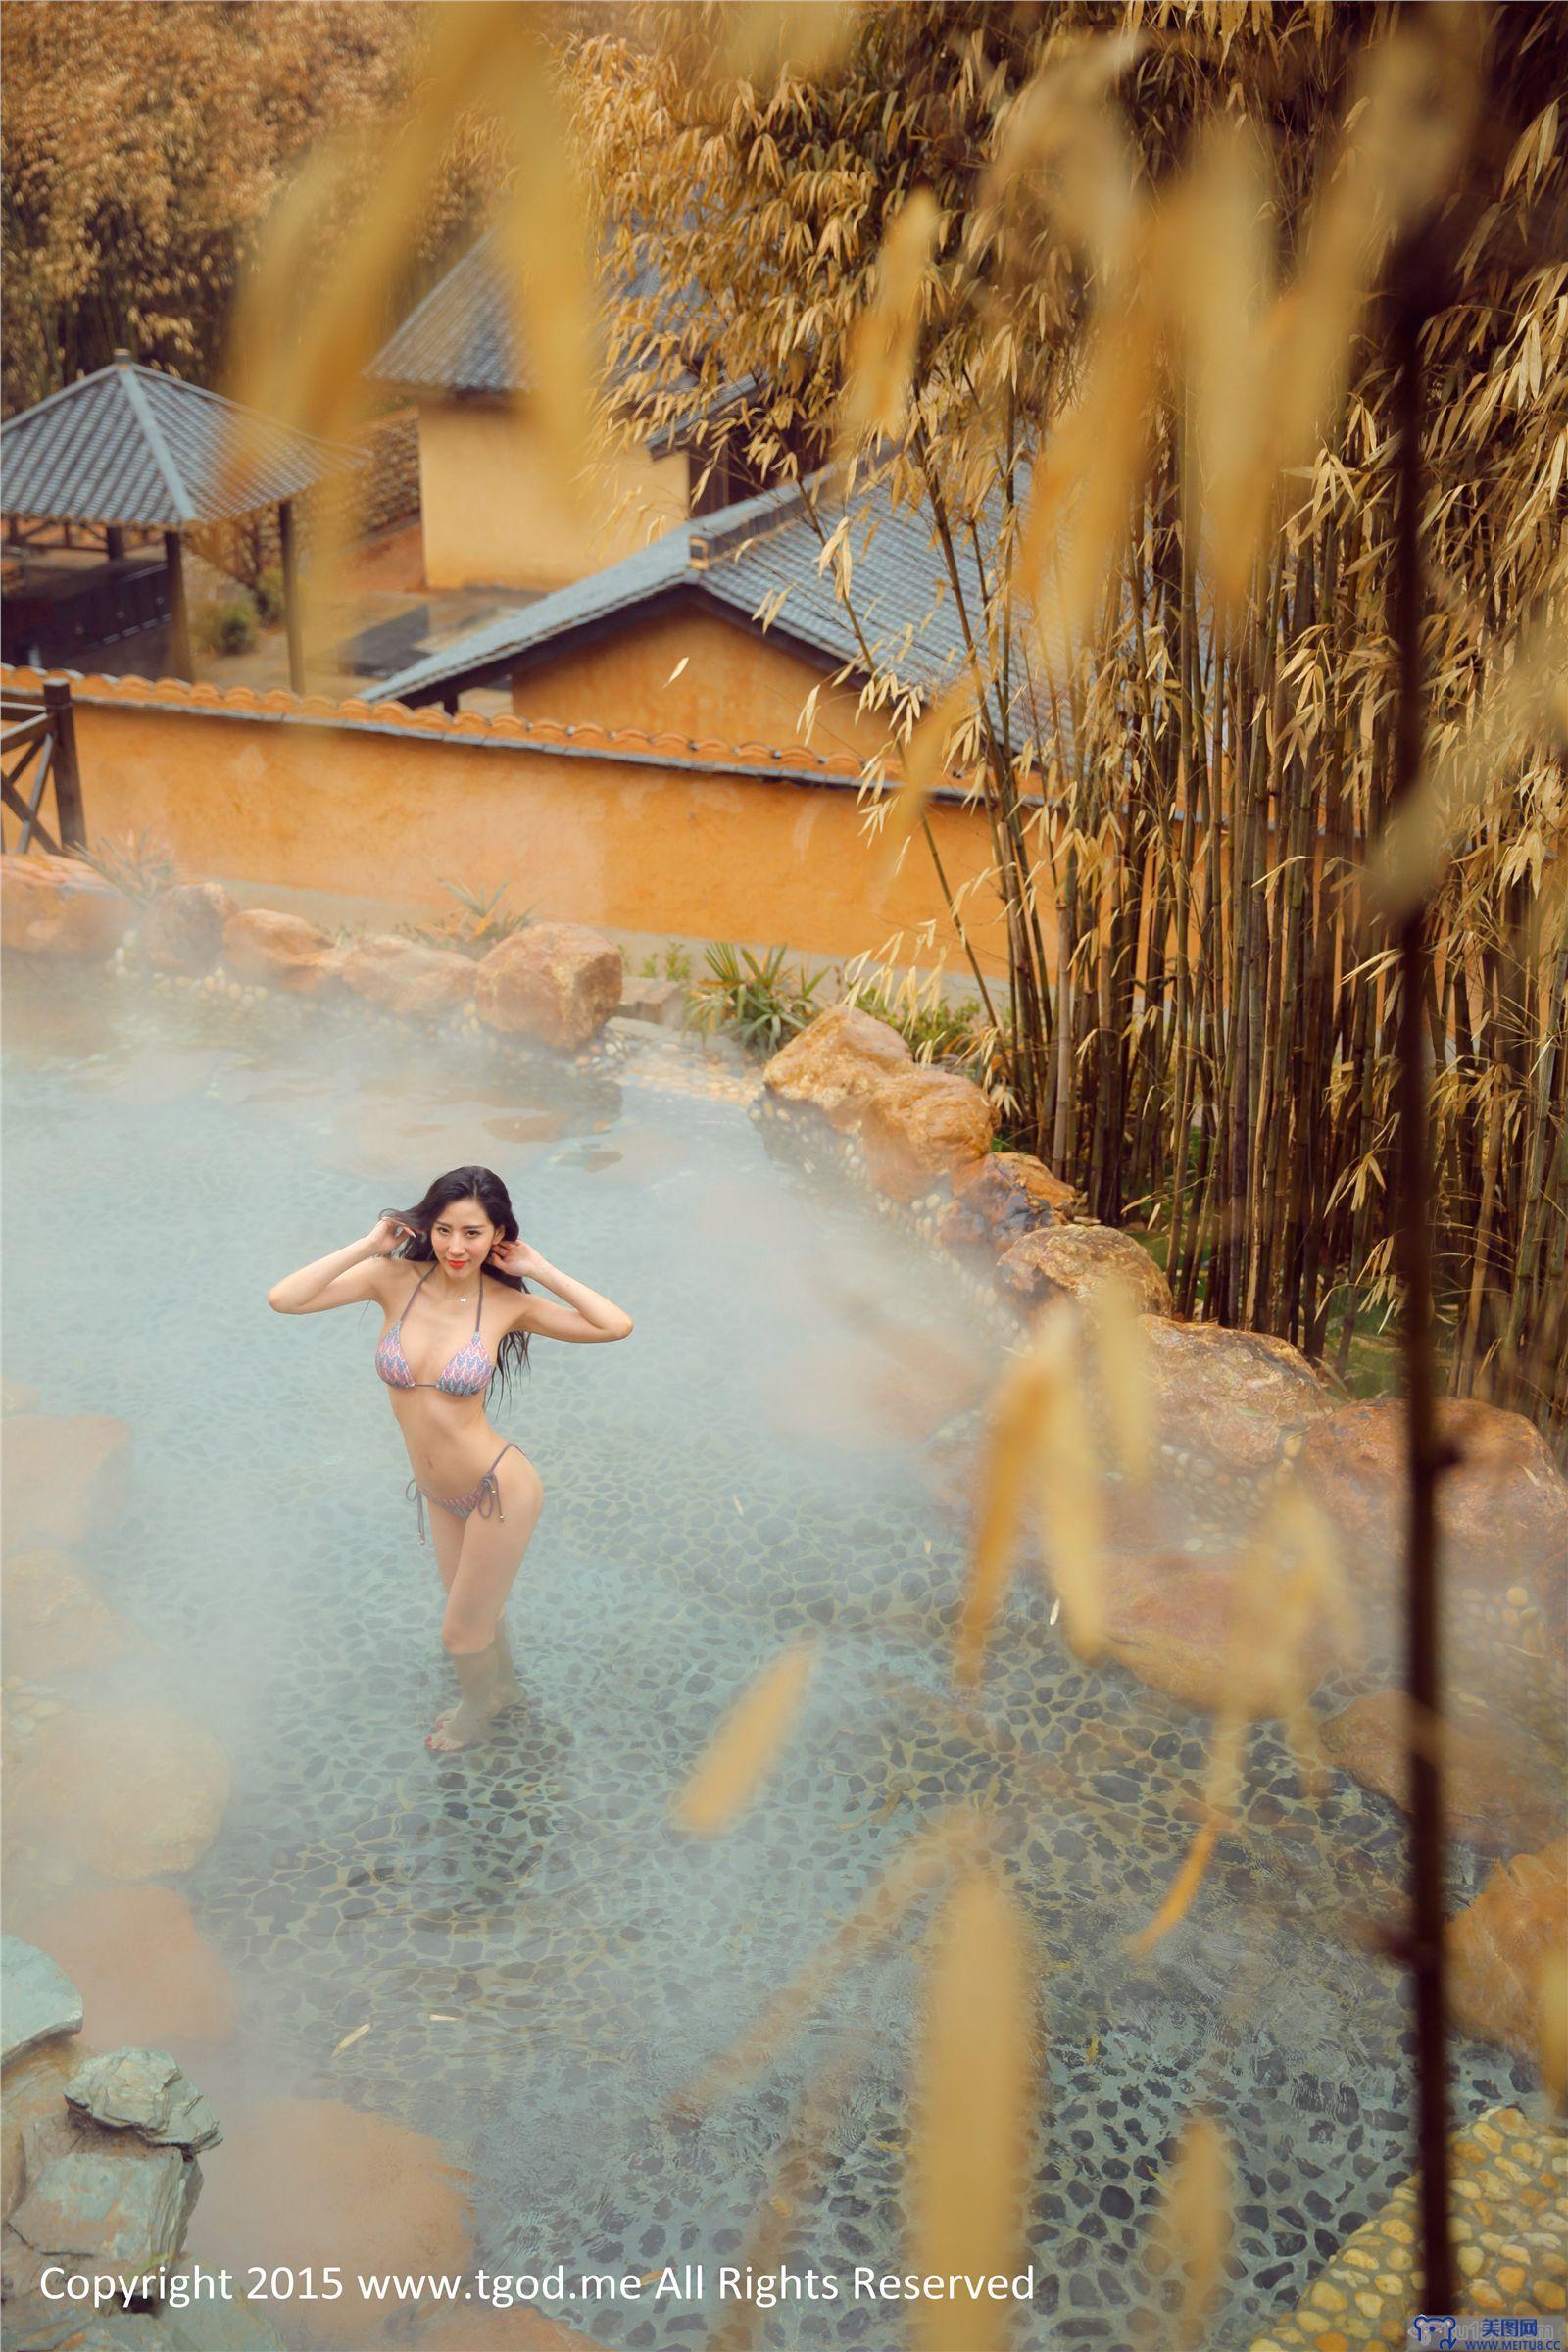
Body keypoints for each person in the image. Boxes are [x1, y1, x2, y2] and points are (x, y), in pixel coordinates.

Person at [269, 1164, 633, 1752]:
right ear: (426, 1227)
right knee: (477, 1613)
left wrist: (537, 1269)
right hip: (440, 1494)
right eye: (443, 1230)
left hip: (498, 1488)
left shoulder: (507, 1305)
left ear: (498, 1236)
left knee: (461, 1635)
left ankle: (475, 1707)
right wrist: (368, 1243)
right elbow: (284, 1299)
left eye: (473, 1232)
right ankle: (506, 1689)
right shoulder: (391, 1280)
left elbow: (616, 1325)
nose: (455, 1247)